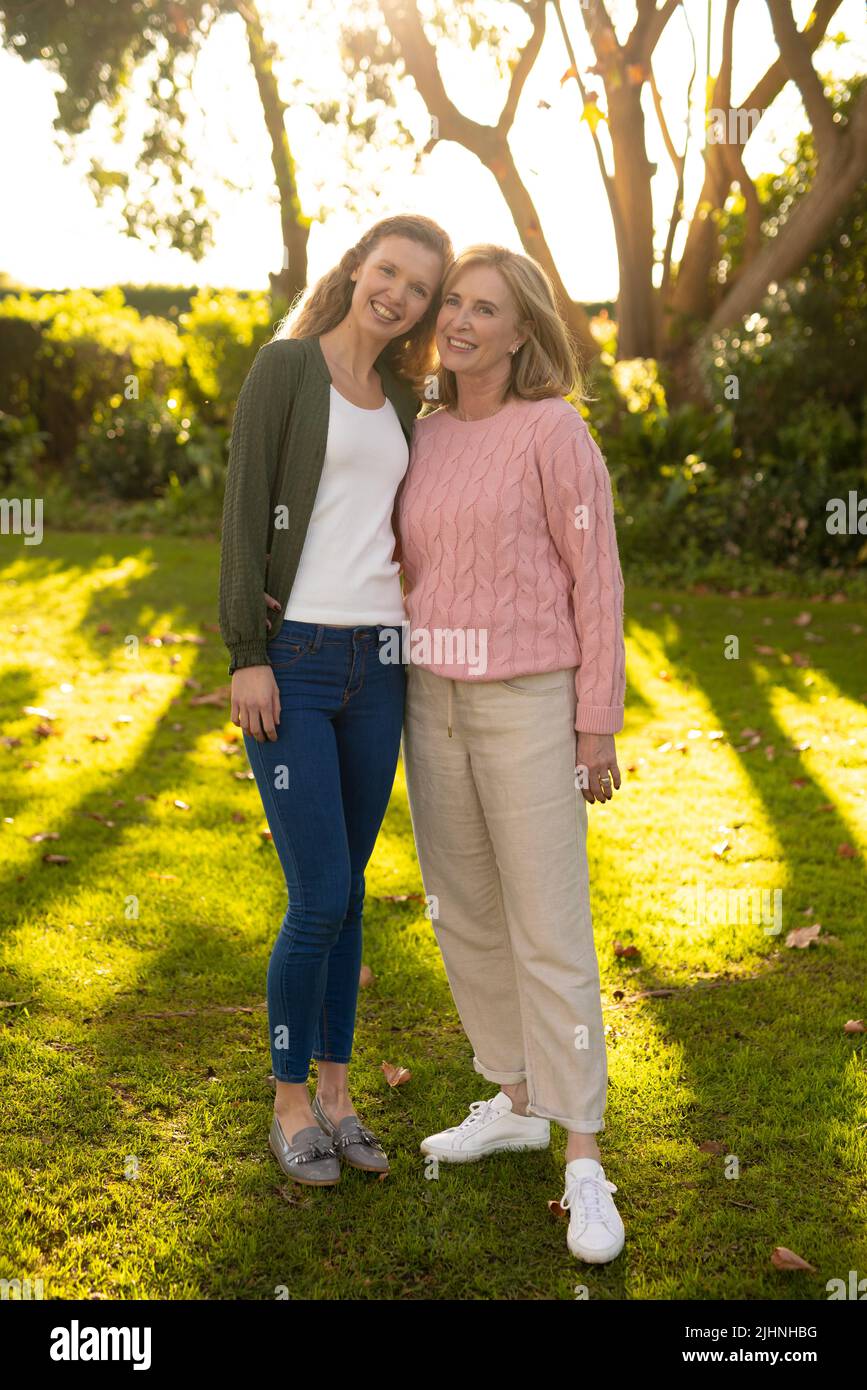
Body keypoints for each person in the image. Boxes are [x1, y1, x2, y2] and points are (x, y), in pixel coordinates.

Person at [397, 244, 627, 1262]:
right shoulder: (429, 428)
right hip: (428, 695)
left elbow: (597, 579)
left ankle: (583, 1154)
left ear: (522, 331)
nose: (461, 320)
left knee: (549, 923)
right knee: (467, 912)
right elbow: (405, 557)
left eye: (486, 308)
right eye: (454, 302)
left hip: (530, 699)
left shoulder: (554, 432)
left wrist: (595, 722)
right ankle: (517, 1093)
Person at [218, 214, 452, 1186]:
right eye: (386, 270)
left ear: (423, 313)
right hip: (297, 664)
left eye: (417, 289)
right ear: (358, 267)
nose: (394, 292)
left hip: (381, 667)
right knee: (316, 892)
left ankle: (341, 1096)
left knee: (349, 891)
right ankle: (287, 1103)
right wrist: (247, 650)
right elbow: (243, 508)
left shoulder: (405, 403)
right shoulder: (285, 369)